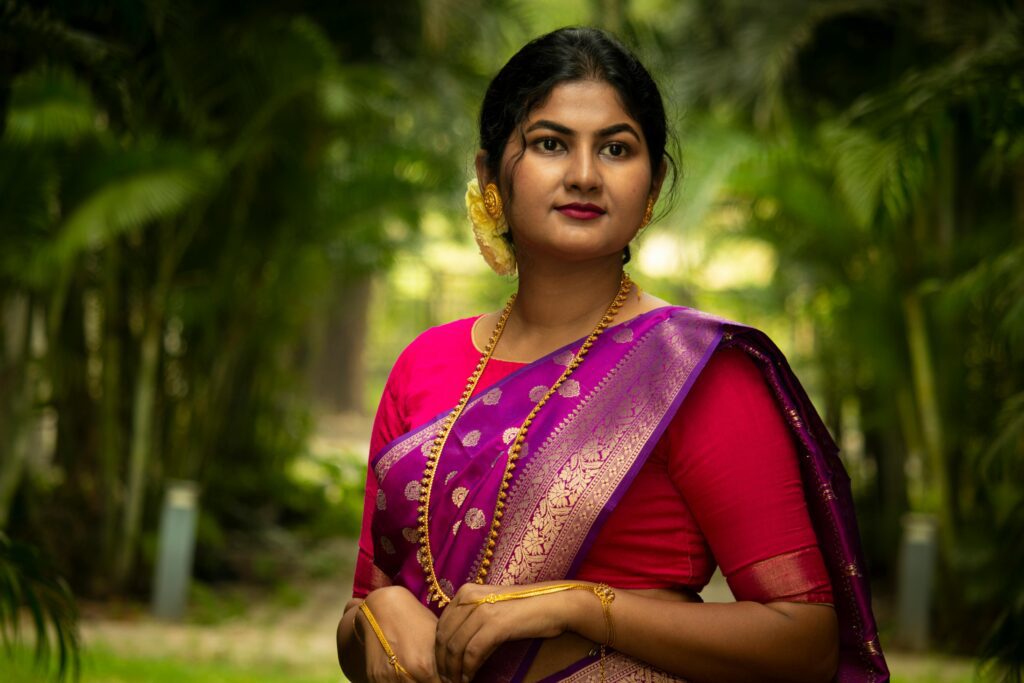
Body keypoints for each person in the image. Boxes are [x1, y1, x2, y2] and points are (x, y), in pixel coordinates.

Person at [336, 27, 889, 683]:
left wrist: (580, 605)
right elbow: (364, 614)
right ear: (490, 176)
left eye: (616, 149)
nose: (583, 175)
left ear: (652, 188)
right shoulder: (424, 367)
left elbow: (805, 642)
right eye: (549, 143)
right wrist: (380, 615)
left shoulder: (698, 373)